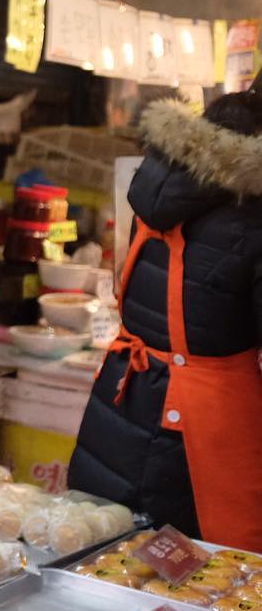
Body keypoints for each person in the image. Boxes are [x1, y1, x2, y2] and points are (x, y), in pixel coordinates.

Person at [70, 92, 262, 551]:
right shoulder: (249, 219)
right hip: (200, 426)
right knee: (205, 569)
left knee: (112, 550)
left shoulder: (162, 184)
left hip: (127, 396)